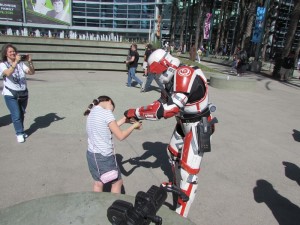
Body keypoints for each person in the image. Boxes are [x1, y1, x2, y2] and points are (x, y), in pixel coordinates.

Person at [124, 49, 218, 217]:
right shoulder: (170, 80)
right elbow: (161, 102)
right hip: (184, 123)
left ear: (166, 66)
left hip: (198, 125)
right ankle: (177, 187)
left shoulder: (184, 74)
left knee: (188, 173)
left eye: (157, 72)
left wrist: (136, 112)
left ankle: (180, 215)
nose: (156, 77)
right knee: (172, 153)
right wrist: (140, 111)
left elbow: (168, 110)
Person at [84, 95, 142, 193]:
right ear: (110, 102)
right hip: (104, 157)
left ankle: (96, 205)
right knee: (117, 182)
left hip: (91, 155)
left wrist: (124, 120)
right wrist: (134, 126)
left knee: (98, 183)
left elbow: (106, 129)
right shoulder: (107, 113)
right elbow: (121, 136)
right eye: (113, 109)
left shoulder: (92, 112)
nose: (112, 111)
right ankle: (115, 206)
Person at [0, 43, 35, 143]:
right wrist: (15, 62)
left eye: (14, 51)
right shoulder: (3, 64)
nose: (13, 53)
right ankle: (19, 133)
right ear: (6, 54)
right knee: (16, 114)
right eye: (10, 52)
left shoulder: (21, 64)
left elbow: (31, 72)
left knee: (21, 113)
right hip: (10, 93)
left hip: (23, 93)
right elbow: (8, 73)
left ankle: (21, 130)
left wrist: (30, 62)